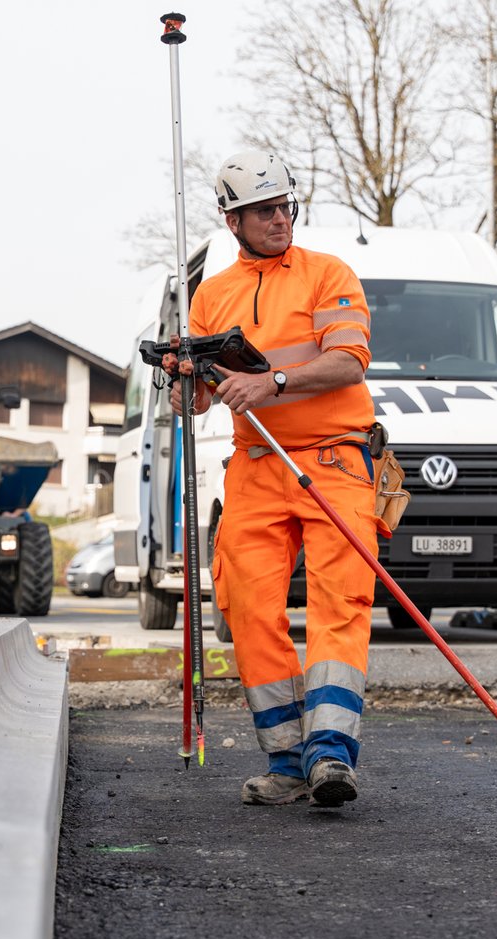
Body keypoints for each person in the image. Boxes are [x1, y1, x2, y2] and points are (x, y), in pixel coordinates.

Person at [166, 150, 376, 808]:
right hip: (256, 467)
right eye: (264, 211)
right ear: (232, 220)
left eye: (286, 206)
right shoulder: (211, 295)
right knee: (250, 609)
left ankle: (331, 754)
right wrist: (182, 383)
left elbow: (349, 360)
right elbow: (198, 401)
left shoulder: (326, 273)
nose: (280, 219)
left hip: (335, 458)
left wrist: (273, 381)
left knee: (337, 604)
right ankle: (287, 759)